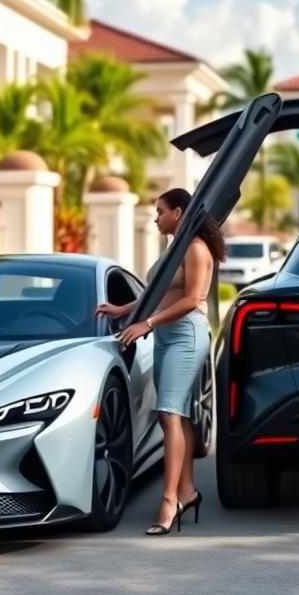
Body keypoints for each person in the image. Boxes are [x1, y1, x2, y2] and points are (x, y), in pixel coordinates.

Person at [96, 187, 225, 536]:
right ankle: (187, 491)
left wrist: (145, 324)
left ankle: (169, 501)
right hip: (166, 336)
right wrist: (123, 310)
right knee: (175, 415)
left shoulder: (196, 248)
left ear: (179, 213)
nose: (155, 218)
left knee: (169, 414)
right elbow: (156, 295)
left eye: (160, 211)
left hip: (187, 336)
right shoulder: (175, 248)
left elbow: (192, 300)